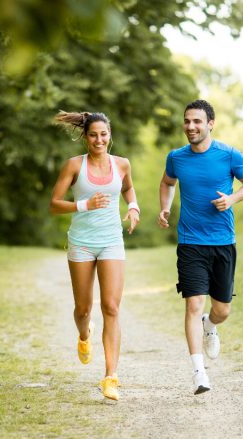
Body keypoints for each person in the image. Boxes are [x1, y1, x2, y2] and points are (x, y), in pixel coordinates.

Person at [157, 99, 243, 394]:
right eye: (187, 121)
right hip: (190, 243)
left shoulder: (228, 155)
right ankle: (199, 373)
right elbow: (167, 182)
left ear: (210, 124)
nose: (191, 126)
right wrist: (165, 207)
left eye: (197, 121)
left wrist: (231, 200)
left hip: (223, 242)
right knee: (193, 303)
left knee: (222, 310)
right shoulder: (176, 157)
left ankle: (210, 326)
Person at [50, 111, 140, 401]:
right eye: (93, 135)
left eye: (103, 134)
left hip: (112, 241)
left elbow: (127, 188)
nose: (99, 139)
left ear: (109, 134)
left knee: (111, 307)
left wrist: (134, 206)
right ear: (85, 136)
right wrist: (84, 204)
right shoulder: (74, 166)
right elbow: (54, 204)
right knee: (83, 310)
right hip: (82, 243)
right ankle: (84, 334)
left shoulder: (122, 164)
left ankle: (110, 376)